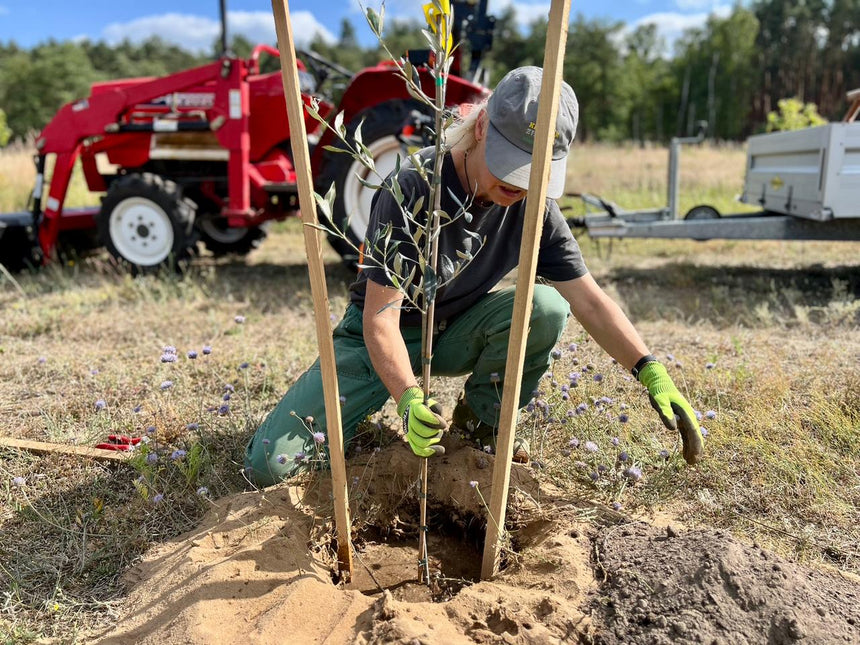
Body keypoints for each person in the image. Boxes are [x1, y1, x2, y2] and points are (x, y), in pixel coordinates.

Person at [244, 66, 703, 487]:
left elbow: (588, 300)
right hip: (381, 337)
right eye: (512, 163)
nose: (520, 184)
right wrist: (407, 397)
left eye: (535, 171)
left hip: (457, 332)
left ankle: (476, 429)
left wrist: (650, 369)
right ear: (481, 127)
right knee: (270, 467)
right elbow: (379, 318)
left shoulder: (535, 208)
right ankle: (365, 418)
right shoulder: (413, 186)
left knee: (545, 308)